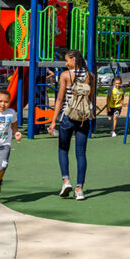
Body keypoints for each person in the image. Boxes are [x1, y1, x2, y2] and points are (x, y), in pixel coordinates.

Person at [48, 49, 95, 201]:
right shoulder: (91, 76)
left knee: (63, 149)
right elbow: (91, 99)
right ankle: (79, 189)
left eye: (67, 60)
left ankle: (66, 181)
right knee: (81, 153)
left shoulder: (65, 75)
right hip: (83, 118)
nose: (66, 63)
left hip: (68, 116)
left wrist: (54, 121)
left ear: (74, 59)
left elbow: (60, 99)